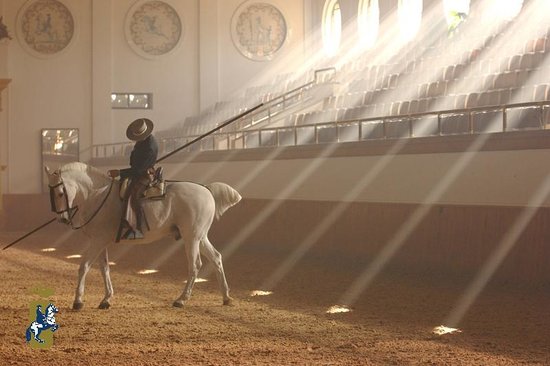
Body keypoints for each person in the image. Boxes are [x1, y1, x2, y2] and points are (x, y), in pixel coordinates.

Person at [109, 118, 158, 240]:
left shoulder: (150, 147)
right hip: (137, 172)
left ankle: (137, 228)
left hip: (144, 174)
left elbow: (138, 169)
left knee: (133, 194)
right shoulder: (141, 142)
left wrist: (120, 172)